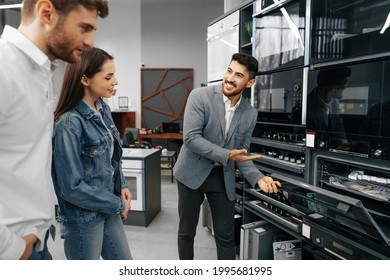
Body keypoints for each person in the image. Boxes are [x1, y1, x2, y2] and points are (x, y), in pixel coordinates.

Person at [0, 0, 108, 260]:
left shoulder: (40, 72)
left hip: (37, 239)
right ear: (46, 12)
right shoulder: (5, 67)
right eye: (84, 27)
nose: (90, 40)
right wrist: (12, 249)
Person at [173, 53, 282, 260]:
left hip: (221, 176)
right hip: (190, 173)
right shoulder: (199, 96)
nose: (230, 78)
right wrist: (227, 154)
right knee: (186, 232)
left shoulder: (250, 113)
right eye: (229, 71)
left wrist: (259, 177)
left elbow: (242, 153)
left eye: (239, 75)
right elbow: (191, 138)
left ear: (250, 82)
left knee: (225, 236)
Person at [52, 47, 133, 260]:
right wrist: (117, 204)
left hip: (107, 207)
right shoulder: (69, 124)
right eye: (108, 77)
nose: (115, 81)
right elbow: (71, 187)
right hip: (83, 218)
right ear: (85, 80)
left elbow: (112, 158)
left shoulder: (103, 109)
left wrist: (122, 185)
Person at [306, 67, 351, 143]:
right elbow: (309, 143)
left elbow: (339, 131)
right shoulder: (305, 108)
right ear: (333, 87)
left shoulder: (334, 103)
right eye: (344, 83)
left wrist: (345, 146)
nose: (346, 86)